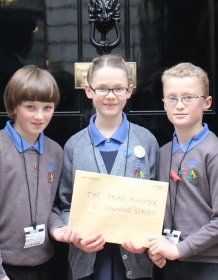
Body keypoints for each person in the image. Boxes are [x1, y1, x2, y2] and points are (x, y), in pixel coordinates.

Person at [0, 66, 80, 280]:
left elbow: (53, 205)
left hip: (45, 264)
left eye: (47, 107)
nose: (39, 116)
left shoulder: (55, 151)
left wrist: (57, 227)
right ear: (13, 107)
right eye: (30, 107)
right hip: (3, 267)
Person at [58, 54, 159, 280]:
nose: (110, 96)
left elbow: (156, 203)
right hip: (89, 262)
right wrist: (75, 234)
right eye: (102, 88)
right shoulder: (74, 146)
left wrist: (145, 238)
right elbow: (66, 204)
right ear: (89, 90)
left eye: (118, 89)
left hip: (135, 260)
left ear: (129, 90)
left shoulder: (146, 141)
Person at [146, 63, 218, 280]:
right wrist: (157, 246)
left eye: (188, 97)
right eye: (172, 98)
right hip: (170, 262)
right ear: (164, 104)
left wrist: (181, 248)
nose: (179, 105)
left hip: (209, 264)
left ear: (207, 103)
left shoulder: (216, 154)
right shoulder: (163, 152)